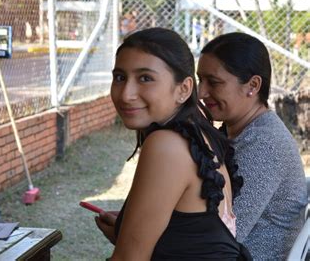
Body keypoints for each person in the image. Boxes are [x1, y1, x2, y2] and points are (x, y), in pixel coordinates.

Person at [95, 28, 250, 259]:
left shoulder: (167, 145)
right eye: (119, 77)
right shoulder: (199, 133)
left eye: (145, 78)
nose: (126, 94)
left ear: (184, 89)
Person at [197, 32, 307, 260]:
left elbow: (224, 235)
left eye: (213, 82)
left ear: (253, 85)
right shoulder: (233, 131)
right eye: (200, 80)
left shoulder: (264, 143)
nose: (201, 92)